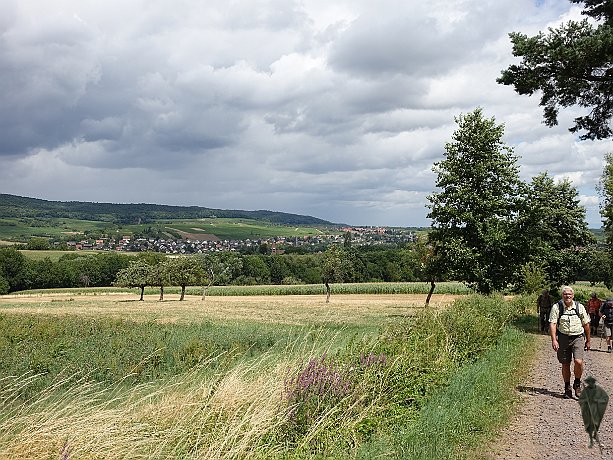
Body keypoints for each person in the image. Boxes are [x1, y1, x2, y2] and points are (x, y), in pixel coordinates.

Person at [549, 286, 590, 399]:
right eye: (565, 294)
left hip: (578, 337)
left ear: (573, 296)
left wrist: (588, 340)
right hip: (563, 337)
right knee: (565, 363)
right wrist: (554, 339)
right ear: (562, 295)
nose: (568, 296)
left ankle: (577, 383)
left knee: (578, 362)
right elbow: (552, 323)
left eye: (570, 294)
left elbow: (586, 324)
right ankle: (567, 388)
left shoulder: (579, 307)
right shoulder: (557, 307)